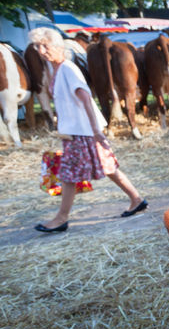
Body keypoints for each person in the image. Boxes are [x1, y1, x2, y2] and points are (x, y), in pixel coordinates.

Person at [29, 28, 146, 233]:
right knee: (108, 167)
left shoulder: (68, 69)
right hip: (76, 131)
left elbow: (85, 97)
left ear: (58, 46)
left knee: (68, 175)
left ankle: (61, 218)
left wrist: (95, 130)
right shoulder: (55, 69)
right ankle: (136, 199)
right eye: (37, 46)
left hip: (82, 132)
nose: (41, 50)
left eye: (44, 46)